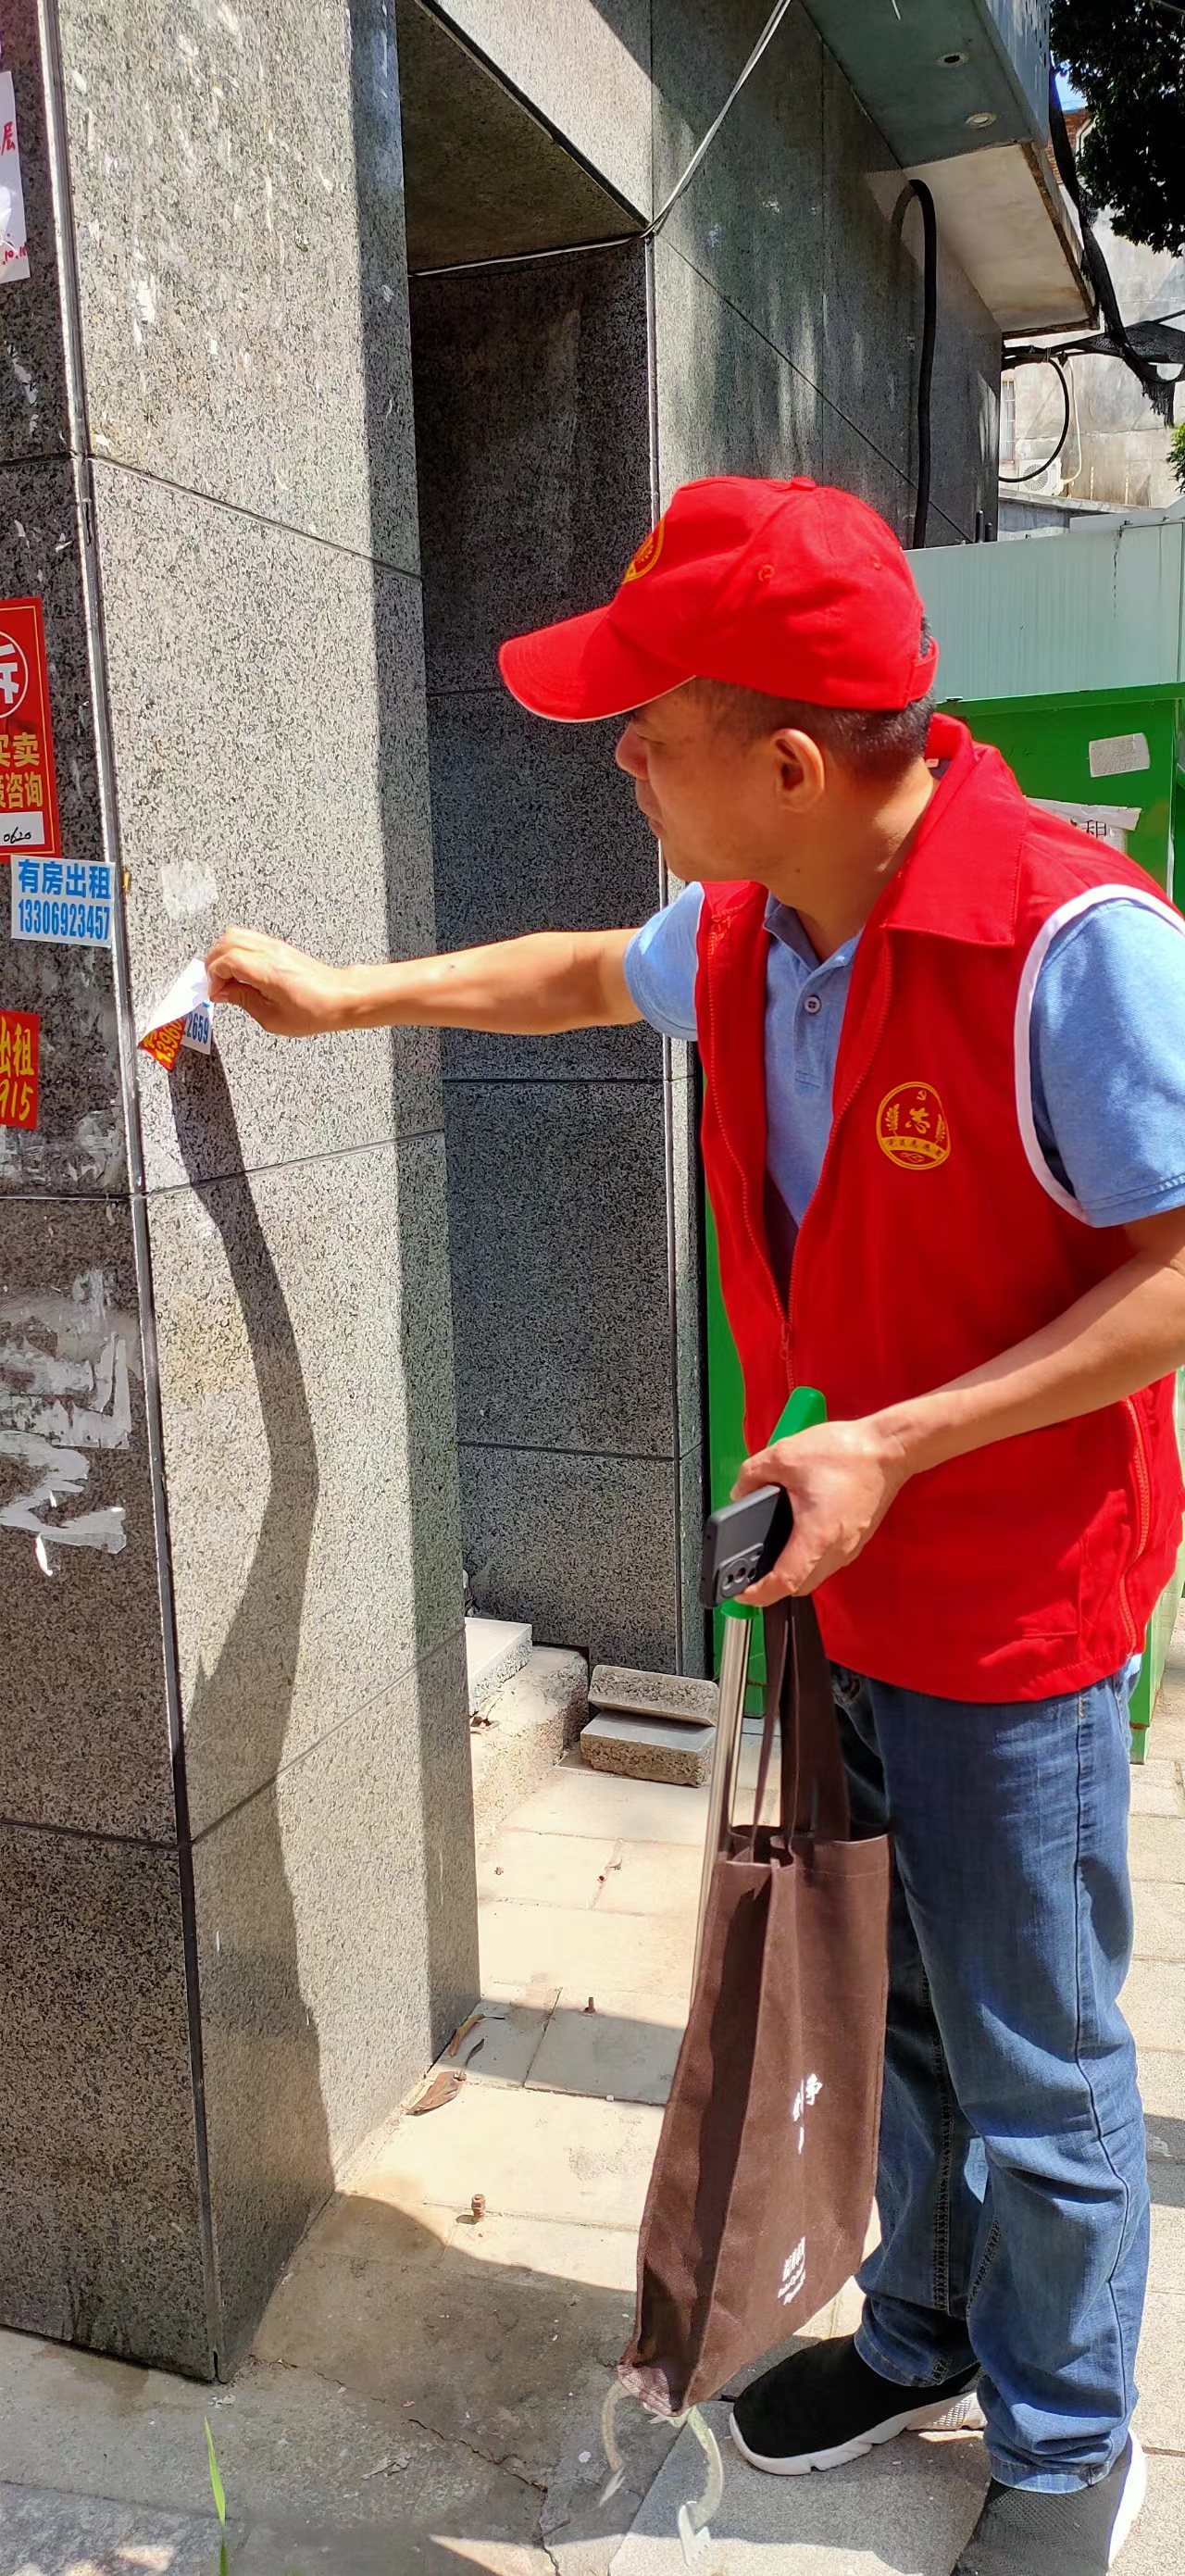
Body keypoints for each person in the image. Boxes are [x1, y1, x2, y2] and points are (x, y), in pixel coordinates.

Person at [206, 477, 1185, 2576]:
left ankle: (1069, 2435)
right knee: (887, 1990)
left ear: (792, 765)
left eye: (647, 736)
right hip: (839, 1580)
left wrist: (900, 1441)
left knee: (1033, 2042)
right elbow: (579, 973)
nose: (622, 767)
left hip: (1013, 1606)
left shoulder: (1071, 945)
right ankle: (920, 2327)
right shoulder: (752, 927)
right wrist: (338, 998)